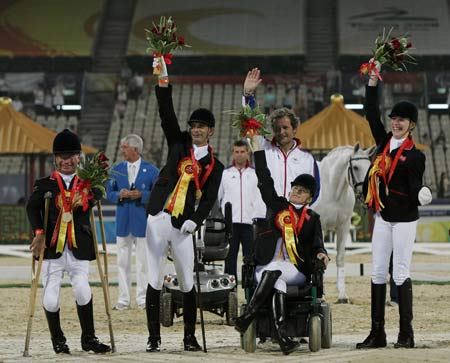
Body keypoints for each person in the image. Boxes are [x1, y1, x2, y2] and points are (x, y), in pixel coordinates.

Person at [144, 56, 224, 353]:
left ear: (211, 131)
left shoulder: (216, 165)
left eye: (201, 126)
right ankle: (154, 338)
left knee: (187, 280)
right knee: (153, 278)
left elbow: (211, 197)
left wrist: (197, 219)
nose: (196, 130)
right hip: (157, 217)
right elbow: (166, 113)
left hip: (183, 225)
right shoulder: (178, 144)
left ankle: (189, 336)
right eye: (194, 125)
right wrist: (163, 80)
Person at [356, 60, 432, 350]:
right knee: (377, 272)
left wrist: (423, 193)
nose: (396, 122)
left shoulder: (416, 156)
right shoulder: (383, 142)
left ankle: (406, 334)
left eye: (402, 120)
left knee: (399, 273)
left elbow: (414, 189)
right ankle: (377, 333)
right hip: (383, 218)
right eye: (394, 119)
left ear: (411, 125)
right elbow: (370, 112)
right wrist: (372, 83)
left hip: (404, 220)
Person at [234, 135, 329, 355]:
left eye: (301, 191)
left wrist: (322, 254)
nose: (296, 192)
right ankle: (283, 338)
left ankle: (247, 316)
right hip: (266, 265)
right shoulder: (278, 206)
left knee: (276, 274)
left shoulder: (312, 218)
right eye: (294, 188)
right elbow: (264, 180)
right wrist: (258, 152)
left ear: (308, 198)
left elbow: (317, 244)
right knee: (276, 281)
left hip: (295, 268)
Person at [26, 129, 111, 354]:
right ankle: (58, 339)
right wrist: (38, 232)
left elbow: (98, 196)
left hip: (79, 247)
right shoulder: (44, 184)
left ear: (79, 157)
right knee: (51, 299)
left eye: (71, 155)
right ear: (55, 158)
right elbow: (32, 208)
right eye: (61, 156)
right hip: (52, 249)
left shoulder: (88, 183)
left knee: (83, 290)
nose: (66, 161)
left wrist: (90, 188)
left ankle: (89, 339)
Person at [242, 68, 320, 205]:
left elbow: (315, 189)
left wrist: (301, 211)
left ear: (294, 129)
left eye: (285, 127)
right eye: (277, 129)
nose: (281, 132)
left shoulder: (307, 158)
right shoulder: (263, 148)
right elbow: (251, 124)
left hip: (294, 219)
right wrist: (248, 95)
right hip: (265, 219)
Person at [106, 134, 159, 311]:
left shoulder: (152, 171)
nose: (122, 150)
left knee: (143, 263)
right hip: (123, 221)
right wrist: (119, 195)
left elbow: (159, 194)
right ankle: (123, 299)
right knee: (122, 262)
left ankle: (142, 298)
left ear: (135, 149)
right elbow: (108, 192)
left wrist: (142, 195)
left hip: (142, 221)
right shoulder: (117, 170)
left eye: (125, 147)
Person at [218, 139, 264, 282]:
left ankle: (250, 288)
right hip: (230, 224)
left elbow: (260, 198)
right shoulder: (225, 174)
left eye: (242, 152)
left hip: (250, 223)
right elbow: (219, 197)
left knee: (250, 258)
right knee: (230, 257)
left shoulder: (255, 174)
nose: (239, 155)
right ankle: (230, 288)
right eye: (236, 152)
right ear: (232, 153)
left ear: (248, 153)